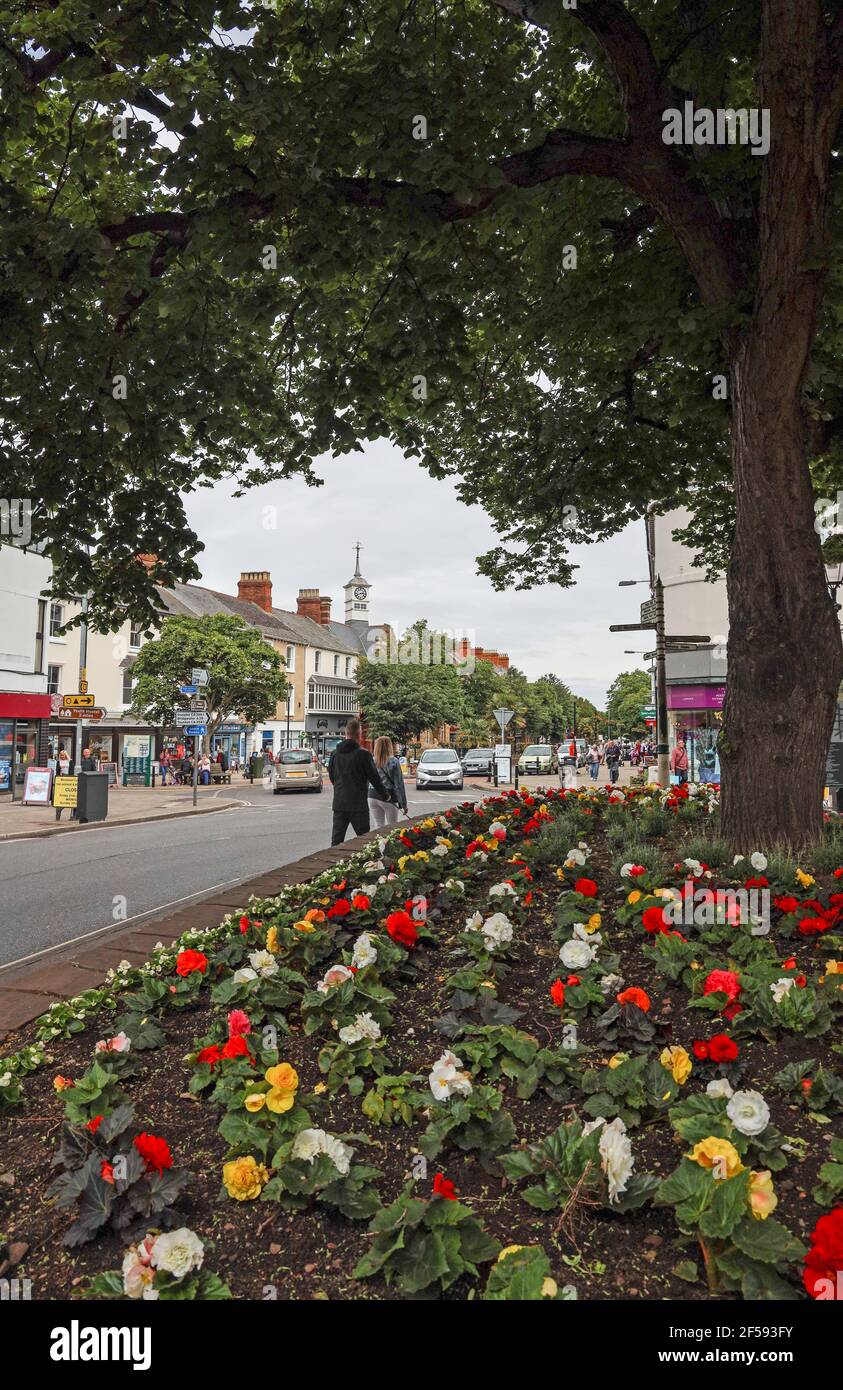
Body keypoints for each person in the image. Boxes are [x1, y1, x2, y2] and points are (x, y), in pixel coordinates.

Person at [328, 719, 389, 845]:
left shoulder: (334, 754)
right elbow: (375, 778)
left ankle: (333, 864)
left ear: (346, 733)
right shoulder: (363, 754)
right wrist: (386, 795)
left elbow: (332, 776)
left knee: (336, 841)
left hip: (339, 803)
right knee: (364, 842)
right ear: (359, 734)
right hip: (358, 804)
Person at [368, 735, 408, 828]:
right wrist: (403, 804)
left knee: (378, 826)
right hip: (389, 796)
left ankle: (377, 842)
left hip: (372, 795)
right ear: (389, 746)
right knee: (392, 827)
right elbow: (399, 784)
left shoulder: (372, 760)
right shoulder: (393, 761)